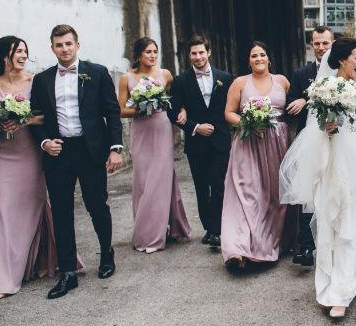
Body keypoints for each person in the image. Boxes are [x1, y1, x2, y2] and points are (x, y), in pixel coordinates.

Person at [279, 38, 356, 318]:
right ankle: (329, 279)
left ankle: (343, 290)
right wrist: (326, 127)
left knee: (353, 219)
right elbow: (315, 130)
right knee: (331, 220)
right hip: (333, 158)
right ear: (341, 59)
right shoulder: (324, 89)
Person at [0, 36, 79, 300]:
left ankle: (41, 260)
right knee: (3, 211)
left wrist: (24, 119)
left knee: (34, 205)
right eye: (18, 51)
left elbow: (49, 114)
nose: (23, 55)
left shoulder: (37, 81)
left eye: (25, 50)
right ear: (4, 56)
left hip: (32, 151)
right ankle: (3, 277)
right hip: (3, 154)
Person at [30, 24, 123, 299]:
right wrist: (45, 141)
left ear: (77, 45)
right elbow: (36, 117)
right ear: (52, 48)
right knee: (61, 211)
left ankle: (107, 253)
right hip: (59, 153)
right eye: (59, 45)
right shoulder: (42, 79)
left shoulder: (96, 73)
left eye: (69, 44)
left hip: (90, 150)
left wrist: (115, 148)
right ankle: (68, 271)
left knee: (97, 205)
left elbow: (112, 112)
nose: (64, 49)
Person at [220, 41, 292, 267]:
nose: (258, 58)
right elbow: (229, 113)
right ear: (249, 60)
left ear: (269, 59)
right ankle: (238, 249)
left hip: (278, 143)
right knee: (246, 193)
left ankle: (270, 243)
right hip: (247, 143)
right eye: (254, 56)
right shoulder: (240, 83)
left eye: (262, 54)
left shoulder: (282, 82)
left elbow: (290, 112)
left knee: (272, 195)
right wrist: (248, 122)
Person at [119, 37, 191, 254]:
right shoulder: (127, 78)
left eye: (155, 51)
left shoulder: (165, 74)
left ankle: (162, 231)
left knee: (161, 178)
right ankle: (146, 231)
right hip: (141, 130)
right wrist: (140, 108)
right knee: (144, 180)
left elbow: (178, 98)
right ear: (139, 55)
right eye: (148, 52)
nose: (152, 55)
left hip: (161, 128)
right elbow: (121, 109)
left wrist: (183, 110)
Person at [169, 35, 233, 249]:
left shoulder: (225, 77)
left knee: (218, 184)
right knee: (201, 187)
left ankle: (217, 230)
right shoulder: (180, 81)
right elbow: (173, 112)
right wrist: (195, 127)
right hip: (196, 143)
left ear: (209, 52)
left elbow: (232, 106)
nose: (198, 57)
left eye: (201, 52)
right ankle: (208, 227)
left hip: (220, 141)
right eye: (194, 53)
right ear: (189, 56)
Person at [284, 25, 334, 267]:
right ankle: (306, 247)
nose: (321, 48)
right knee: (308, 193)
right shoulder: (301, 73)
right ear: (311, 45)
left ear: (332, 43)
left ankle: (332, 243)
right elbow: (289, 103)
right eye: (317, 43)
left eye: (325, 43)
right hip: (309, 139)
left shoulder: (343, 70)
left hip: (336, 140)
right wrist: (302, 100)